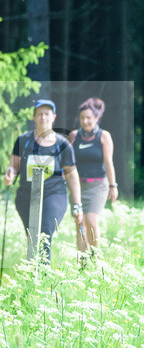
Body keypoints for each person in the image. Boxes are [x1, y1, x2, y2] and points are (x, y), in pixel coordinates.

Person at [3, 99, 83, 262]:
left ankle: (43, 276)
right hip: (26, 195)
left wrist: (77, 204)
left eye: (47, 114)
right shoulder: (23, 141)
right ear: (33, 117)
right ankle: (33, 275)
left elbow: (72, 175)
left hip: (54, 194)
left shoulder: (63, 144)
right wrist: (9, 175)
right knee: (33, 236)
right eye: (39, 114)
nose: (43, 117)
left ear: (54, 117)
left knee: (45, 233)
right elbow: (13, 167)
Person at [68, 97, 117, 250]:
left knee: (91, 220)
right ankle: (82, 262)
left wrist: (112, 185)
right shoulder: (73, 136)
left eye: (89, 118)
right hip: (77, 187)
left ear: (96, 118)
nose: (85, 121)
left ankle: (95, 258)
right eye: (82, 118)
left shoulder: (104, 136)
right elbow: (67, 163)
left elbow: (108, 163)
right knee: (79, 224)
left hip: (98, 186)